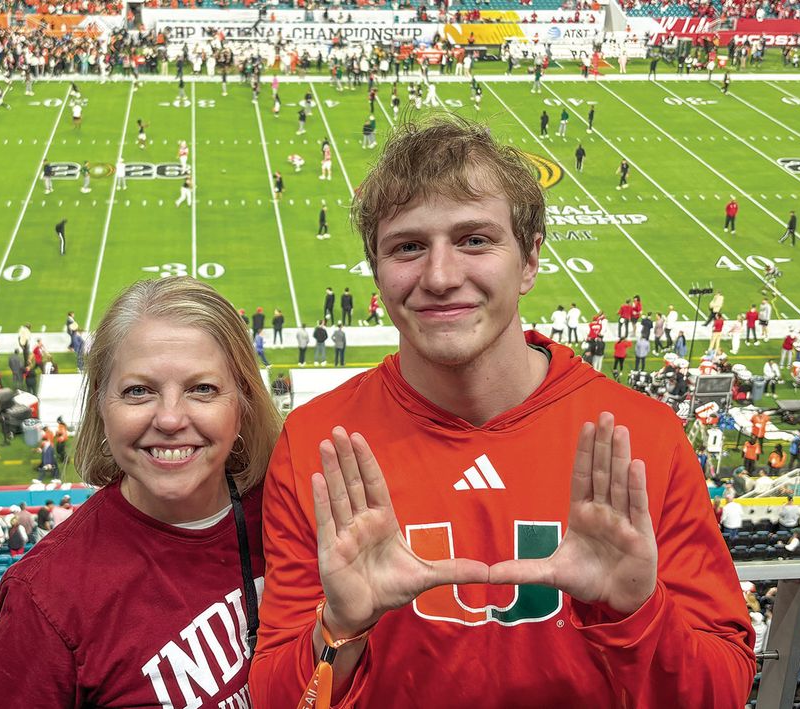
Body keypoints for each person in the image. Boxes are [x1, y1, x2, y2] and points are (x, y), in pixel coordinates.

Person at [249, 116, 754, 708]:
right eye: (408, 247)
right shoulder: (317, 442)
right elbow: (279, 701)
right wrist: (341, 630)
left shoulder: (641, 436)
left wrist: (635, 614)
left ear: (530, 259)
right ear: (377, 271)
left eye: (475, 240)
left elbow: (721, 693)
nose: (440, 276)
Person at [0, 278, 282, 705]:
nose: (170, 419)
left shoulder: (289, 510)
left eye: (202, 388)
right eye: (138, 391)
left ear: (242, 402)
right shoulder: (48, 597)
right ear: (101, 404)